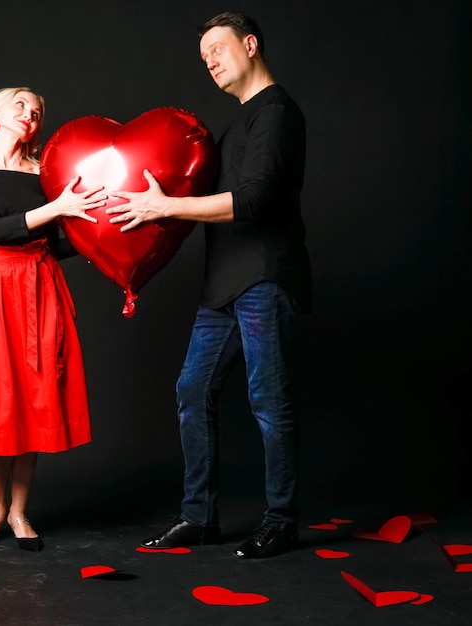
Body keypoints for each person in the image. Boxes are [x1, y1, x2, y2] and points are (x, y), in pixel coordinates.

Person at [108, 12, 311, 559]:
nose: (211, 62)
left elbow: (254, 201)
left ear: (250, 45)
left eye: (217, 49)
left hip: (266, 276)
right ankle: (199, 518)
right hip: (222, 287)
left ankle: (281, 519)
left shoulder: (276, 113)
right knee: (192, 391)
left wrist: (167, 205)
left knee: (269, 400)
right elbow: (196, 195)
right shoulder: (236, 124)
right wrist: (147, 203)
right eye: (204, 59)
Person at [0, 87, 106, 551]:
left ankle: (19, 511)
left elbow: (56, 243)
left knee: (36, 397)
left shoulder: (48, 174)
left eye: (37, 110)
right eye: (20, 103)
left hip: (39, 287)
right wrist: (58, 209)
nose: (30, 113)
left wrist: (98, 226)